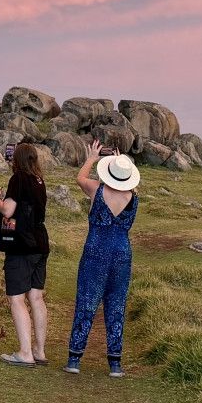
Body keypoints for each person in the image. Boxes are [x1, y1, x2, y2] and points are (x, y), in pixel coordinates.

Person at [67, 142, 140, 377]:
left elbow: (80, 178)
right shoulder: (133, 198)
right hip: (122, 253)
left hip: (95, 251)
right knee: (116, 306)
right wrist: (122, 162)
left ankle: (75, 359)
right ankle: (115, 364)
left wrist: (92, 157)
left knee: (87, 303)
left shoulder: (96, 190)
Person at [0, 142, 50, 368]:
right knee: (36, 297)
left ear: (17, 160)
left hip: (21, 245)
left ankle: (24, 353)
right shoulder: (39, 181)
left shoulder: (18, 179)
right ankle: (39, 351)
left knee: (16, 298)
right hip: (40, 242)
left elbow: (8, 211)